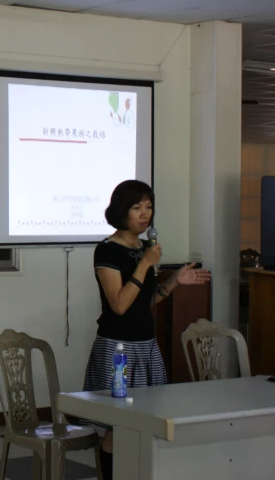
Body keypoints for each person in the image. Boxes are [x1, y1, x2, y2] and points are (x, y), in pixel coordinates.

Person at [83, 180, 210, 479]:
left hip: (146, 346)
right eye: (137, 207)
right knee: (119, 425)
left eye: (149, 207)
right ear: (120, 211)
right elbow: (119, 305)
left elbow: (145, 302)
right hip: (118, 349)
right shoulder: (107, 251)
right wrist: (144, 264)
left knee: (150, 422)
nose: (145, 214)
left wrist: (174, 281)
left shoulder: (145, 248)